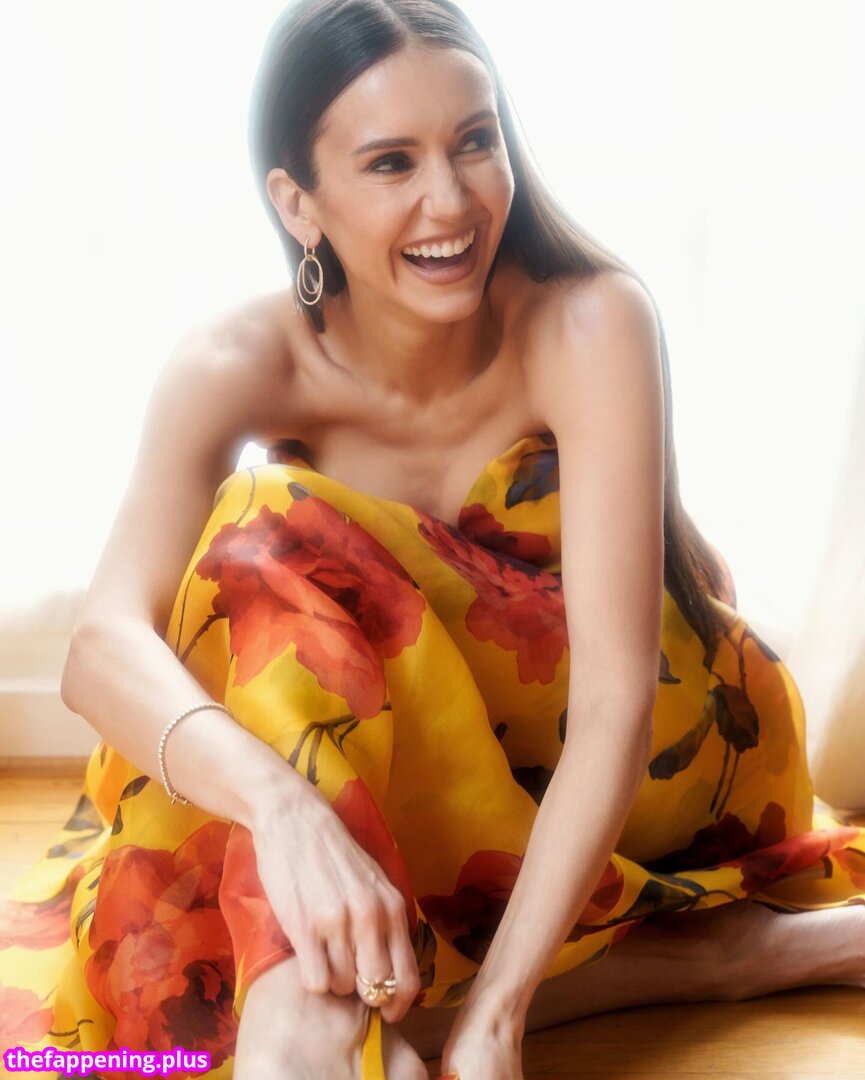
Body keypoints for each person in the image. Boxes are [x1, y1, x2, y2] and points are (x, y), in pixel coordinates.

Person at [2, 1, 863, 1078]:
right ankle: (707, 961)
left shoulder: (589, 319)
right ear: (298, 203)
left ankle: (324, 1016)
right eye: (390, 162)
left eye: (473, 141)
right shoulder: (236, 362)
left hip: (637, 764)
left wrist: (498, 1019)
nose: (450, 201)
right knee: (245, 647)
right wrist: (281, 809)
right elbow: (101, 648)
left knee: (261, 530)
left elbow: (614, 704)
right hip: (415, 789)